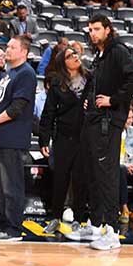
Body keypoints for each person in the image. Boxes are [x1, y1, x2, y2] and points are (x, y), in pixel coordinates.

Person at [68, 14, 133, 250]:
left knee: (108, 176)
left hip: (108, 122)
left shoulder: (118, 51)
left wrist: (113, 99)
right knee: (93, 174)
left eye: (97, 29)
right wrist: (86, 100)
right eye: (90, 29)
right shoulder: (100, 55)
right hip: (94, 120)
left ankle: (112, 233)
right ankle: (97, 224)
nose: (92, 33)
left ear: (108, 30)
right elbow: (95, 83)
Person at [0, 34, 36, 241]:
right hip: (0, 137)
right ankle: (4, 223)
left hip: (13, 137)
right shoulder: (10, 73)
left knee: (12, 184)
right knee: (1, 185)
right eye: (8, 46)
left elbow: (16, 108)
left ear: (24, 52)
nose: (8, 50)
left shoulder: (26, 74)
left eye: (12, 47)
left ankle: (14, 229)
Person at [39, 43, 89, 234]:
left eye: (75, 54)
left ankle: (78, 219)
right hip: (63, 137)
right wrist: (45, 139)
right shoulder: (57, 84)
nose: (75, 57)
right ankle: (55, 217)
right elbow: (48, 113)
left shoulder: (90, 79)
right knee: (60, 179)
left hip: (84, 138)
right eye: (69, 56)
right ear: (63, 63)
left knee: (80, 180)